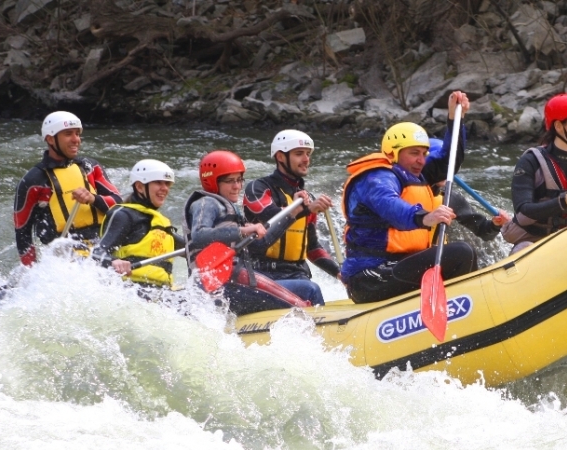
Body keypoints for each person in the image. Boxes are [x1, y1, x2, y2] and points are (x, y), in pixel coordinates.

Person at [340, 91, 477, 304]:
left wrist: (454, 118)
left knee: (463, 254)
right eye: (414, 153)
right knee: (460, 253)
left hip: (401, 266)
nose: (421, 160)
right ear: (394, 153)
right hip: (369, 277)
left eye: (424, 154)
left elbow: (449, 162)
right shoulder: (376, 177)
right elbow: (390, 205)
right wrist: (425, 217)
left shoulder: (415, 173)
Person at [184, 150, 322, 314]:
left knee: (307, 289)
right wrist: (242, 230)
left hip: (236, 281)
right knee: (310, 291)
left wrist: (294, 213)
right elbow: (199, 235)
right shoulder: (206, 203)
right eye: (230, 181)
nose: (237, 186)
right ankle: (322, 332)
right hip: (223, 284)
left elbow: (261, 244)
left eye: (239, 180)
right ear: (212, 182)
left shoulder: (229, 209)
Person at [242, 129, 339, 304]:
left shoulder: (306, 197)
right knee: (311, 290)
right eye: (299, 154)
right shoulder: (258, 189)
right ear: (280, 157)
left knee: (310, 287)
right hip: (265, 275)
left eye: (308, 154)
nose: (306, 159)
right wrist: (307, 209)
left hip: (298, 274)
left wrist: (340, 273)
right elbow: (269, 218)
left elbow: (312, 248)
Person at [13, 111, 122, 266]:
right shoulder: (33, 181)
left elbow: (119, 206)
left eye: (78, 134)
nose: (76, 139)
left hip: (103, 246)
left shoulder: (90, 167)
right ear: (50, 139)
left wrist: (93, 199)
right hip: (65, 255)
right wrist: (32, 273)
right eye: (68, 134)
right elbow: (22, 233)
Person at [501, 93, 567, 254]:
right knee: (523, 249)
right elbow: (523, 210)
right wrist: (565, 201)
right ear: (558, 126)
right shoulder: (530, 162)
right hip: (535, 242)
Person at [91, 159, 185, 289]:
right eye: (158, 182)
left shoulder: (161, 223)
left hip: (161, 291)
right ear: (140, 186)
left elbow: (190, 249)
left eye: (167, 183)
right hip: (130, 290)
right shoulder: (123, 215)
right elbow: (97, 253)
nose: (164, 188)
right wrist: (114, 261)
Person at [427, 138, 512, 243]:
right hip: (405, 255)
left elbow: (483, 231)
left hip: (431, 254)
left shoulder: (450, 198)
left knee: (464, 249)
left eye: (448, 165)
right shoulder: (403, 191)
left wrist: (495, 225)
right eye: (439, 165)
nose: (445, 170)